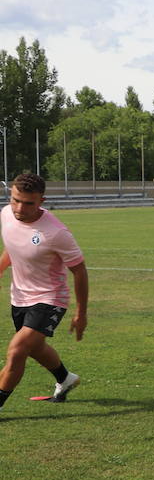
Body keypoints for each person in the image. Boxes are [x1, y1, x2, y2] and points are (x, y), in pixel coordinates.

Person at [0, 174, 85, 407]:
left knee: (17, 350)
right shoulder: (6, 214)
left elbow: (79, 270)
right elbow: (14, 246)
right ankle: (65, 378)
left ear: (42, 201)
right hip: (19, 297)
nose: (20, 208)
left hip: (50, 298)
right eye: (16, 200)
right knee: (34, 347)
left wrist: (81, 313)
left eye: (29, 203)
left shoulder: (56, 232)